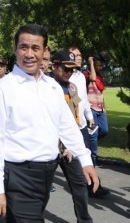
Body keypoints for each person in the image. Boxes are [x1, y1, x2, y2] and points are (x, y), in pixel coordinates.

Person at [0, 23, 99, 222]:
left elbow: (67, 127)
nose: (29, 54)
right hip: (18, 176)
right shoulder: (2, 89)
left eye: (35, 48)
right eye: (23, 47)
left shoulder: (52, 87)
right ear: (15, 49)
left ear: (44, 51)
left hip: (47, 174)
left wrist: (85, 160)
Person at [50, 50, 93, 222]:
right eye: (65, 69)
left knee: (80, 185)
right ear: (54, 66)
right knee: (39, 190)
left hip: (70, 147)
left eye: (72, 70)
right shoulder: (46, 87)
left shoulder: (72, 87)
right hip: (50, 146)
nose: (69, 73)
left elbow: (75, 114)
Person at [68, 47, 110, 197]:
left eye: (80, 55)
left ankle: (92, 186)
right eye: (75, 55)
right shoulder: (66, 77)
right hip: (70, 124)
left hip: (81, 123)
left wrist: (89, 117)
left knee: (85, 154)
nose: (79, 58)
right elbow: (71, 101)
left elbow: (83, 100)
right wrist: (75, 120)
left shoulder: (79, 76)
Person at [86, 55, 109, 166]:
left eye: (101, 65)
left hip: (100, 109)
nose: (100, 67)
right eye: (97, 65)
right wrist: (91, 63)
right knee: (93, 135)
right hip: (91, 109)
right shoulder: (87, 75)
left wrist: (104, 108)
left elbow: (101, 93)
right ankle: (93, 160)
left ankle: (87, 143)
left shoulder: (100, 77)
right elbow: (92, 79)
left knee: (104, 130)